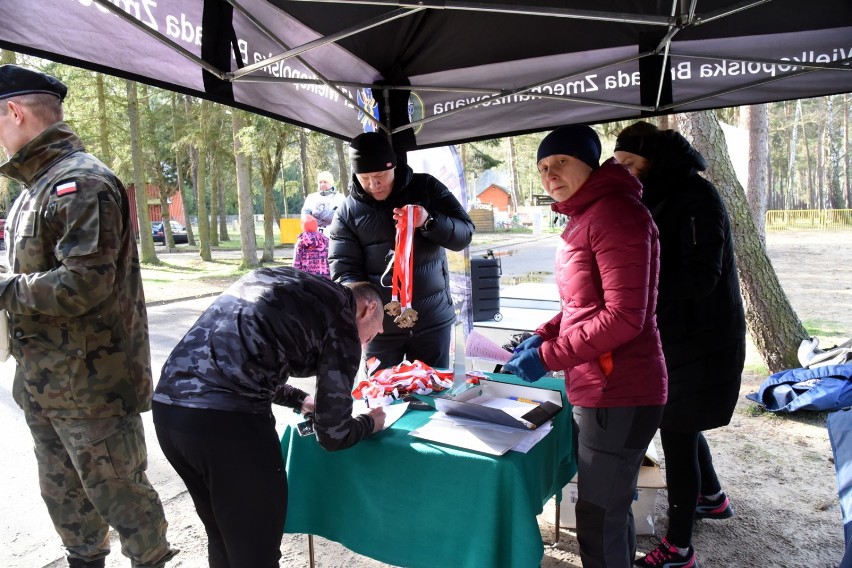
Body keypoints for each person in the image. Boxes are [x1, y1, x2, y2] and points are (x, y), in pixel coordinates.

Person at [0, 65, 177, 568]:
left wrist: (4, 289)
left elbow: (84, 283)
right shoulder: (32, 189)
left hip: (90, 386)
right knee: (67, 505)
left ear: (14, 112)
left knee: (125, 501)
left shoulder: (81, 182)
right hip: (42, 381)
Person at [503, 124, 667, 568]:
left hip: (621, 391)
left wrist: (548, 356)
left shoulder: (615, 213)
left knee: (597, 518)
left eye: (560, 162)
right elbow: (583, 304)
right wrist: (544, 333)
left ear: (589, 163)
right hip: (600, 387)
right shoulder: (587, 215)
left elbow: (624, 317)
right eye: (542, 167)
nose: (550, 174)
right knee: (607, 510)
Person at [152, 267, 387, 568]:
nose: (371, 339)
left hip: (171, 413)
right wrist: (371, 422)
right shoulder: (343, 317)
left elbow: (243, 350)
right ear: (369, 308)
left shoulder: (284, 281)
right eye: (376, 329)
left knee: (225, 539)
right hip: (228, 425)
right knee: (255, 553)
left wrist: (299, 399)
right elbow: (332, 434)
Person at [615, 121, 746, 568]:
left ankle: (679, 549)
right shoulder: (657, 191)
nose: (626, 173)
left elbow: (701, 277)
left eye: (631, 164)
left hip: (702, 339)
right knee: (682, 423)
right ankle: (713, 497)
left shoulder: (695, 195)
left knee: (676, 430)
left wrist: (637, 285)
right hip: (676, 333)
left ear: (655, 159)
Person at [328, 132, 474, 369]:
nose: (374, 185)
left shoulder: (426, 187)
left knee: (432, 393)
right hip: (380, 329)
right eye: (365, 178)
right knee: (381, 399)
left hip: (432, 321)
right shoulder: (347, 212)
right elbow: (344, 271)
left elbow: (464, 234)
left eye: (380, 175)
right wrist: (365, 312)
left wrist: (429, 221)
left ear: (394, 166)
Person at [293, 213, 330, 278]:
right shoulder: (325, 240)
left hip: (307, 278)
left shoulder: (301, 242)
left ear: (303, 226)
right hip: (325, 278)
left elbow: (296, 262)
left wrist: (295, 276)